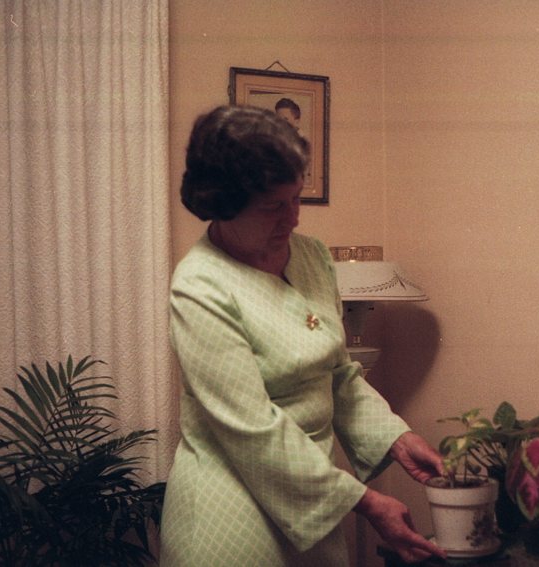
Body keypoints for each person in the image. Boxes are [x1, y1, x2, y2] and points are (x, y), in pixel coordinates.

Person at [160, 105, 447, 566]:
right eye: (274, 206)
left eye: (296, 199)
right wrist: (366, 502)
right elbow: (251, 427)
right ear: (222, 203)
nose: (292, 218)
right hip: (230, 510)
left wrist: (396, 437)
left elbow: (339, 375)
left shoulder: (311, 257)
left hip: (313, 500)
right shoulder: (199, 286)